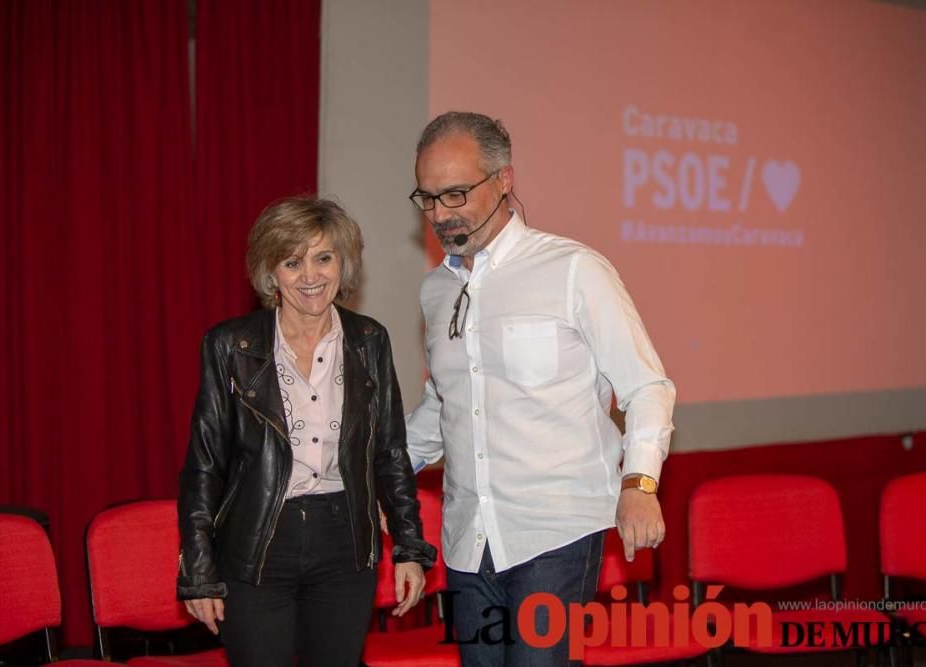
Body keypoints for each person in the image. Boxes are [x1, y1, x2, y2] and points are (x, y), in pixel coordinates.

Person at [405, 112, 676, 666]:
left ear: (504, 180)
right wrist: (369, 471)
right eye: (429, 199)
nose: (440, 214)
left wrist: (640, 482)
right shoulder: (437, 292)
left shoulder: (574, 270)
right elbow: (445, 407)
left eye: (456, 194)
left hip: (555, 531)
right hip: (466, 539)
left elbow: (647, 385)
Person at [177, 196, 436, 667]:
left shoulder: (369, 341)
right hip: (256, 543)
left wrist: (409, 546)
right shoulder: (229, 345)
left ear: (344, 265)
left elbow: (390, 454)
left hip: (345, 544)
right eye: (292, 262)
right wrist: (198, 570)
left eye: (324, 258)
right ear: (270, 273)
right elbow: (205, 466)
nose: (311, 276)